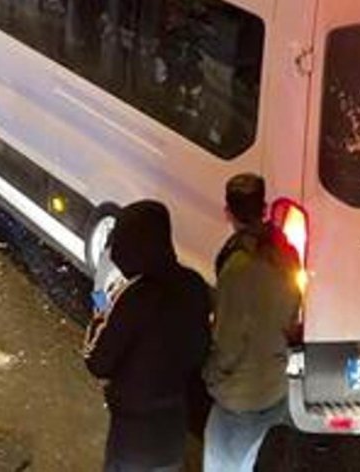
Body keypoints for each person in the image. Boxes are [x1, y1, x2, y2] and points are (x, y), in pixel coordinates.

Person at [84, 200, 213, 472]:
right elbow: (200, 351)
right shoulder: (193, 285)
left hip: (132, 437)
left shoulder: (135, 297)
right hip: (173, 428)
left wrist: (99, 309)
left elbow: (97, 362)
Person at [202, 175, 302, 472]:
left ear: (228, 213)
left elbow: (228, 341)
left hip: (241, 395)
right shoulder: (286, 253)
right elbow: (293, 315)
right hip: (275, 385)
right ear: (265, 207)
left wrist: (212, 375)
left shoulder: (238, 268)